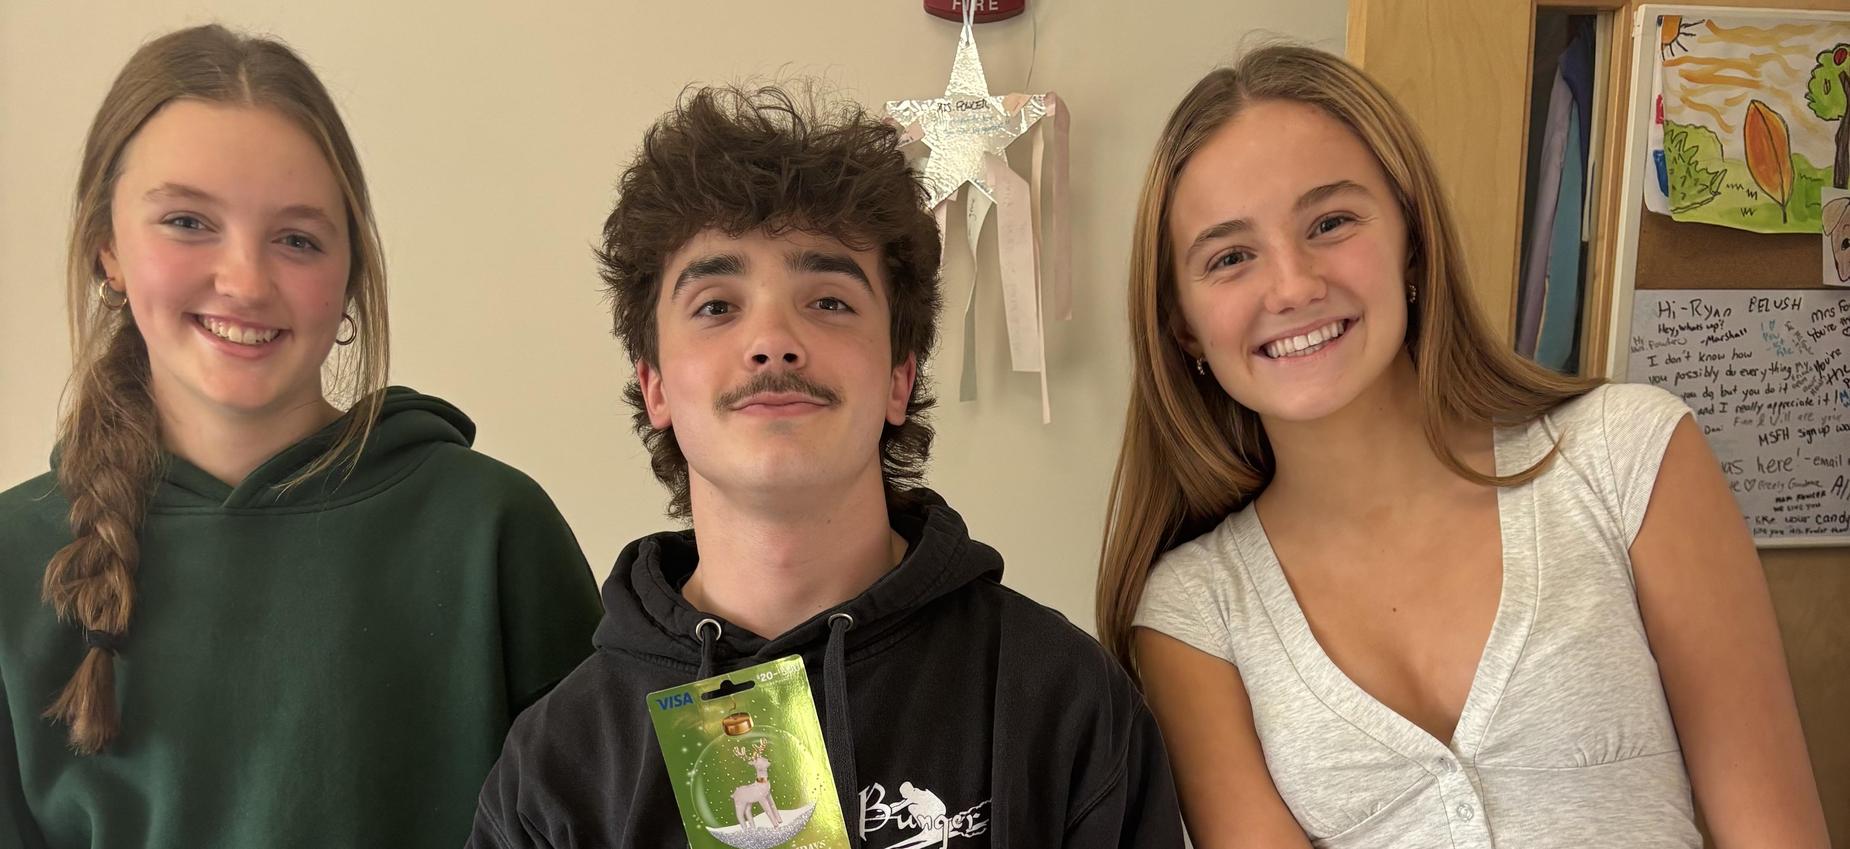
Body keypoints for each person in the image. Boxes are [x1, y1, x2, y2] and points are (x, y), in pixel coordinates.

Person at [1097, 45, 1829, 849]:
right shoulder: (1195, 614)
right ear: (1181, 323)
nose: (1294, 285)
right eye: (1231, 257)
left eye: (1331, 222)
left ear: (1411, 240)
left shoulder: (1629, 456)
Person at [469, 84, 1183, 849]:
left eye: (830, 302)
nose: (773, 339)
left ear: (899, 377)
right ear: (656, 384)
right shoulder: (554, 765)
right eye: (716, 304)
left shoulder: (1066, 701)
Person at [0, 24, 601, 848]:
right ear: (108, 247)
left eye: (296, 238)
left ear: (350, 273)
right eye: (186, 220)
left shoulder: (493, 532)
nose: (245, 280)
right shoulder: (10, 557)